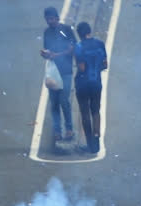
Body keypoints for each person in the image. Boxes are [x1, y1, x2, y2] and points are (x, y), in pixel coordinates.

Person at [40, 7, 76, 143]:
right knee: (54, 103)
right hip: (53, 72)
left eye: (51, 18)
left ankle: (69, 129)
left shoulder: (66, 30)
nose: (50, 21)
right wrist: (45, 54)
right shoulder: (47, 32)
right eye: (47, 19)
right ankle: (57, 131)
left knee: (64, 100)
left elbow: (73, 48)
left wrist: (57, 55)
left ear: (57, 18)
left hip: (65, 70)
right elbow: (47, 49)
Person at [74, 22, 107, 153]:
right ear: (89, 31)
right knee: (95, 111)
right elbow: (105, 64)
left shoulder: (79, 46)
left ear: (79, 34)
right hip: (96, 82)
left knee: (85, 112)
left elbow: (81, 67)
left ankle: (89, 144)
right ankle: (96, 138)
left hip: (83, 83)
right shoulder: (100, 44)